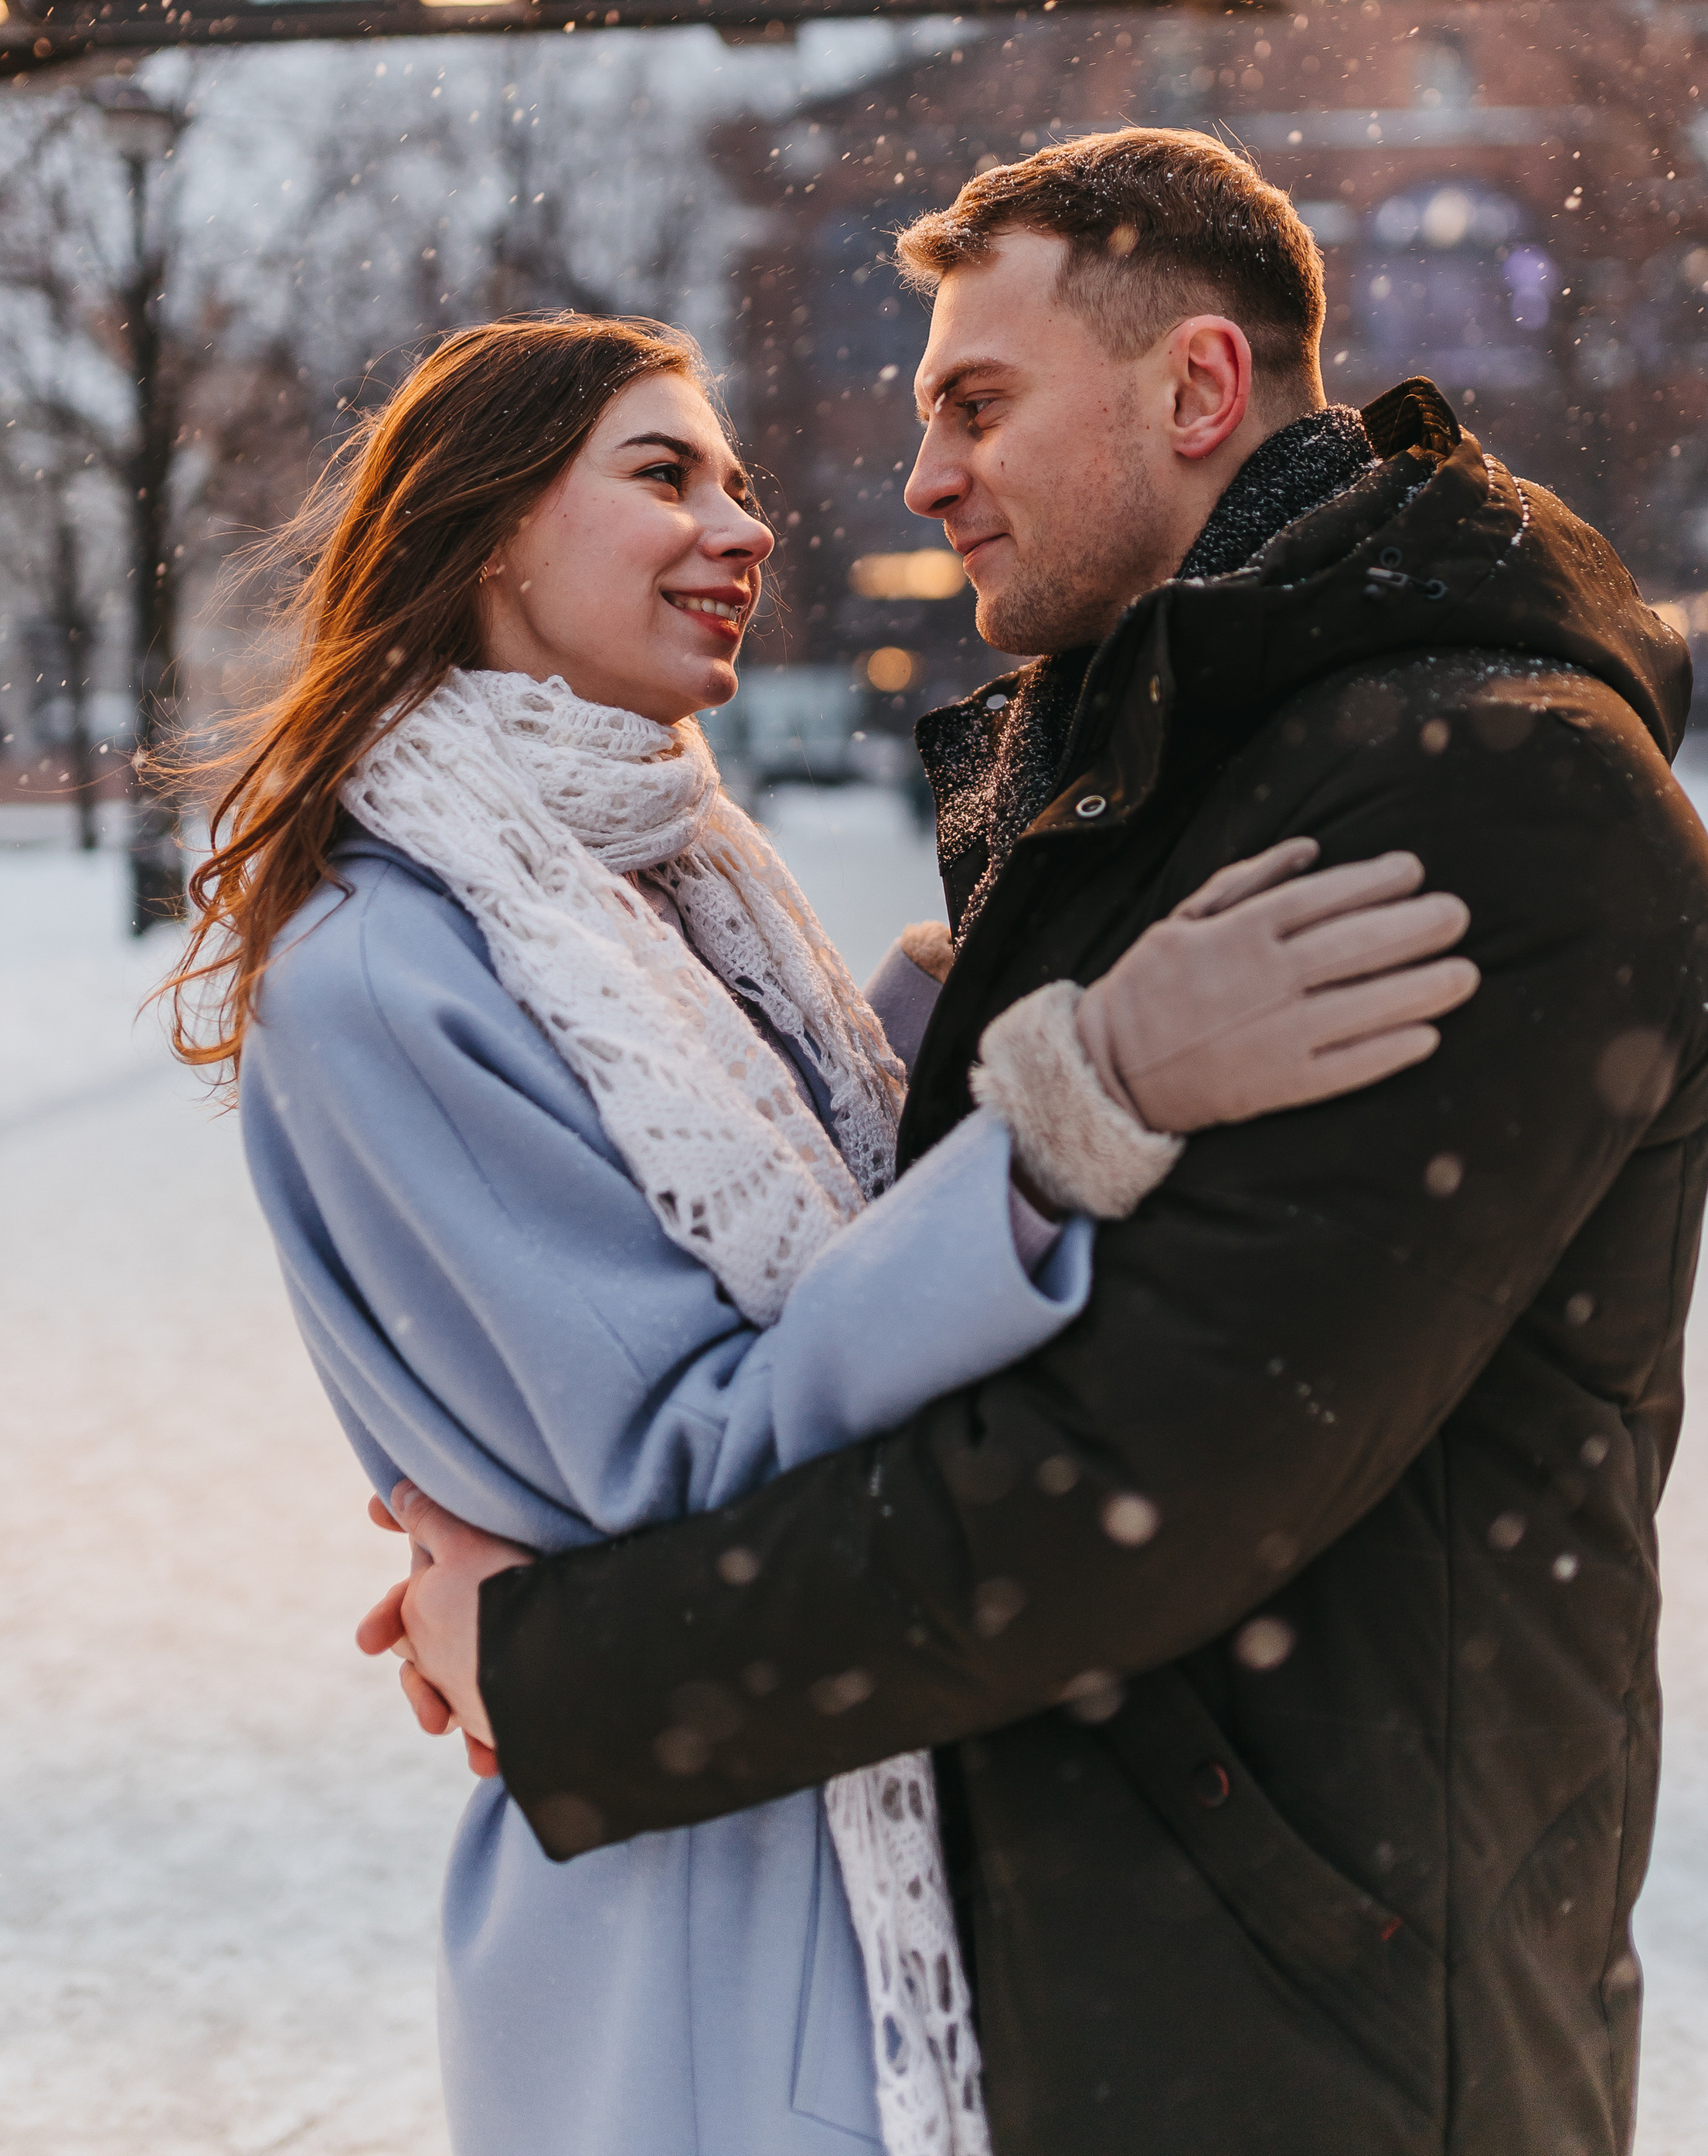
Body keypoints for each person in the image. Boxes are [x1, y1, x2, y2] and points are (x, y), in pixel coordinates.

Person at [378, 133, 1708, 2156]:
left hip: (1322, 2050)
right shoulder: (1176, 766)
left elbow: (1120, 1482)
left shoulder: (1474, 794)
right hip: (1136, 1994)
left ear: (1200, 389)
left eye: (978, 405)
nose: (924, 480)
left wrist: (566, 1669)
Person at [165, 310, 1477, 2156]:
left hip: (810, 1799)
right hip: (705, 1926)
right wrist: (1075, 1099)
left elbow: (791, 1203)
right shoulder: (388, 970)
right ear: (482, 532)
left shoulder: (663, 877)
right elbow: (696, 1457)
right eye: (661, 473)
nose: (743, 522)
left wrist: (980, 985)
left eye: (737, 478)